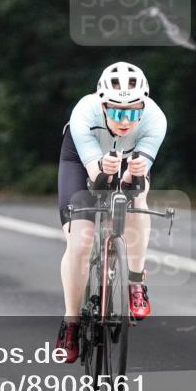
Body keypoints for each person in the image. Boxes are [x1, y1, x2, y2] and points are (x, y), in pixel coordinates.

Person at [54, 62, 167, 363]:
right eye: (117, 112)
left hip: (127, 160)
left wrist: (135, 174)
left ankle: (136, 282)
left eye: (133, 113)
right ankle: (71, 322)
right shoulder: (84, 112)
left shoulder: (155, 120)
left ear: (144, 107)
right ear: (102, 105)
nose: (125, 121)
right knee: (80, 240)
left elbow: (134, 184)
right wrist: (104, 170)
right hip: (81, 161)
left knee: (139, 200)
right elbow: (96, 181)